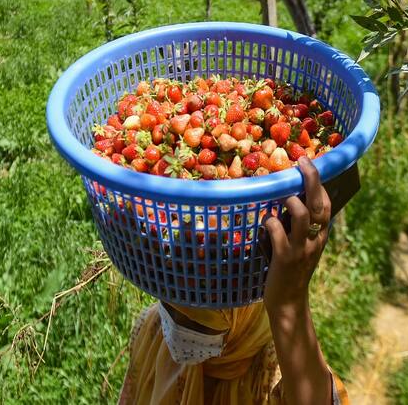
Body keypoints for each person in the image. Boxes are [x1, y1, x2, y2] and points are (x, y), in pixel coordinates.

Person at [120, 157, 350, 404]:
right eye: (171, 304)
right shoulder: (152, 330)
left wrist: (289, 306)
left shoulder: (270, 369)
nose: (177, 327)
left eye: (201, 317)